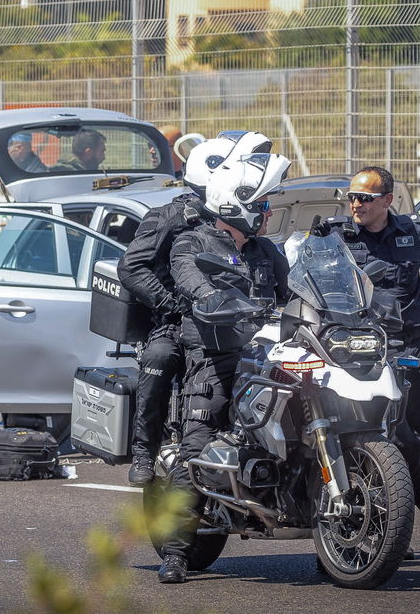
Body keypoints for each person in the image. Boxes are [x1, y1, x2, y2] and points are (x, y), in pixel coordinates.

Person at [312, 166, 420, 559]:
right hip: (356, 348)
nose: (356, 205)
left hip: (409, 345)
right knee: (350, 435)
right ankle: (377, 533)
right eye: (351, 197)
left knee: (406, 438)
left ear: (387, 200)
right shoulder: (336, 235)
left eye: (365, 198)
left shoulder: (411, 232)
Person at [158, 153, 292, 584]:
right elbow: (190, 279)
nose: (269, 212)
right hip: (217, 360)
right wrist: (211, 298)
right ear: (239, 206)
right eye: (263, 204)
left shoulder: (267, 250)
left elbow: (293, 296)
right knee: (195, 449)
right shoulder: (192, 243)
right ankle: (177, 552)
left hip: (269, 356)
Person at [117, 130, 272, 487]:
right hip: (177, 318)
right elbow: (132, 267)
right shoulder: (172, 216)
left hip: (234, 320)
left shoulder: (238, 214)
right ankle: (145, 450)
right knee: (159, 359)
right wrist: (171, 303)